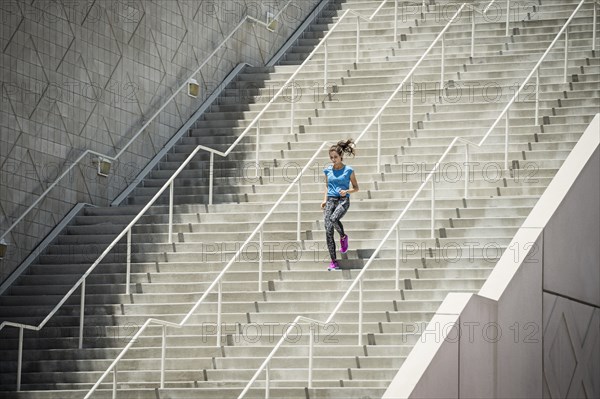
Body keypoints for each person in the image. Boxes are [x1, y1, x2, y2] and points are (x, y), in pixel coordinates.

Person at [321, 139, 359, 271]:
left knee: (333, 219)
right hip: (331, 199)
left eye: (335, 157)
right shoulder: (327, 171)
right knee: (328, 230)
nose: (333, 159)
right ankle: (333, 262)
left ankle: (343, 236)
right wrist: (324, 199)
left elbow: (356, 188)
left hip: (343, 200)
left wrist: (347, 191)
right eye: (331, 157)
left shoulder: (348, 170)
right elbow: (327, 187)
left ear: (341, 156)